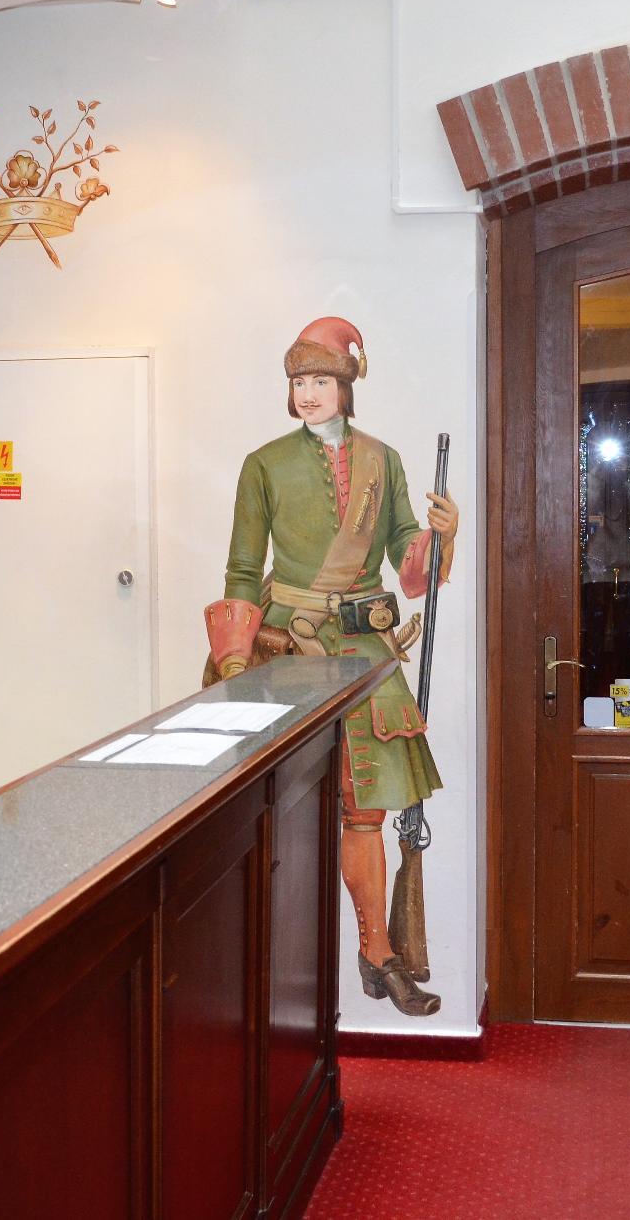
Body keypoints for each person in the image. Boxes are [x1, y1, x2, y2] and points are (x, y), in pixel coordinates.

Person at [204, 317, 458, 1017]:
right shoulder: (264, 464)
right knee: (279, 806)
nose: (308, 394)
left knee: (365, 808)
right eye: (299, 382)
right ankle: (280, 964)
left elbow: (408, 562)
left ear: (347, 387)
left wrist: (440, 536)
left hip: (366, 650)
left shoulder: (384, 460)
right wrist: (236, 660)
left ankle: (378, 954)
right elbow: (242, 569)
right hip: (288, 647)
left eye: (320, 381)